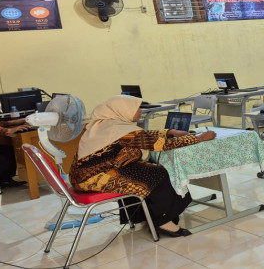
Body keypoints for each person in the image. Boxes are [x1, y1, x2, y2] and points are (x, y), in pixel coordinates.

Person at [70, 95, 216, 238]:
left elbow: (143, 135)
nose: (140, 111)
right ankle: (163, 221)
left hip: (84, 177)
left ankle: (142, 216)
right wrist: (198, 138)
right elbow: (160, 145)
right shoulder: (119, 130)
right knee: (159, 174)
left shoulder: (106, 124)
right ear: (123, 110)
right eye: (136, 108)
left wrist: (169, 132)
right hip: (94, 179)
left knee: (145, 168)